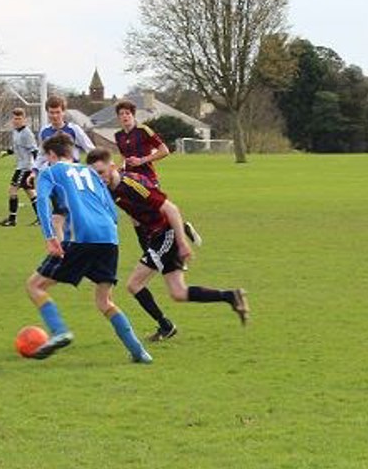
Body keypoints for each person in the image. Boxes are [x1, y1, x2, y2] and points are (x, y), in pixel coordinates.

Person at [86, 147, 249, 342]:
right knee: (178, 292)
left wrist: (182, 243)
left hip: (165, 233)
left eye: (101, 172)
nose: (99, 178)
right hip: (155, 235)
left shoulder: (132, 185)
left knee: (134, 284)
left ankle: (166, 326)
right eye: (94, 174)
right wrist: (144, 242)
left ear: (112, 166)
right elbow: (134, 216)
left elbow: (171, 209)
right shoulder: (110, 188)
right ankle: (232, 296)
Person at [24, 133, 152, 363]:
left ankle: (60, 331)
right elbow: (111, 209)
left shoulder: (50, 172)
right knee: (104, 301)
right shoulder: (91, 172)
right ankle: (139, 352)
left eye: (47, 157)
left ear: (52, 155)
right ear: (71, 152)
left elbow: (42, 202)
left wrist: (50, 236)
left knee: (35, 286)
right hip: (109, 238)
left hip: (82, 238)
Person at [113, 98, 201, 247]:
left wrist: (142, 160)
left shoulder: (143, 131)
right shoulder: (118, 136)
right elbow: (123, 155)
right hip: (130, 179)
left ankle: (182, 227)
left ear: (133, 115)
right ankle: (146, 248)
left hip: (147, 178)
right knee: (135, 215)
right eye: (121, 114)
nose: (124, 116)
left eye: (127, 113)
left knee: (158, 208)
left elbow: (164, 150)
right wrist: (120, 168)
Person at [29, 94, 97, 239]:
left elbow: (90, 148)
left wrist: (95, 168)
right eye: (51, 112)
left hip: (72, 178)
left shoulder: (74, 129)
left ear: (63, 112)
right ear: (47, 112)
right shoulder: (44, 131)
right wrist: (34, 171)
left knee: (72, 217)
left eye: (57, 112)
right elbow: (42, 154)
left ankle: (73, 248)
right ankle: (64, 252)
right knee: (58, 219)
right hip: (55, 179)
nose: (54, 115)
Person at [0, 108, 39, 227]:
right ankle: (41, 218)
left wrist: (36, 169)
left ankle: (12, 219)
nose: (17, 121)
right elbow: (15, 147)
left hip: (25, 167)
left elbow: (35, 151)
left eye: (19, 119)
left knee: (12, 190)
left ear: (24, 120)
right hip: (21, 166)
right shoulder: (15, 131)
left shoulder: (27, 134)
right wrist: (7, 152)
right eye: (15, 118)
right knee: (31, 192)